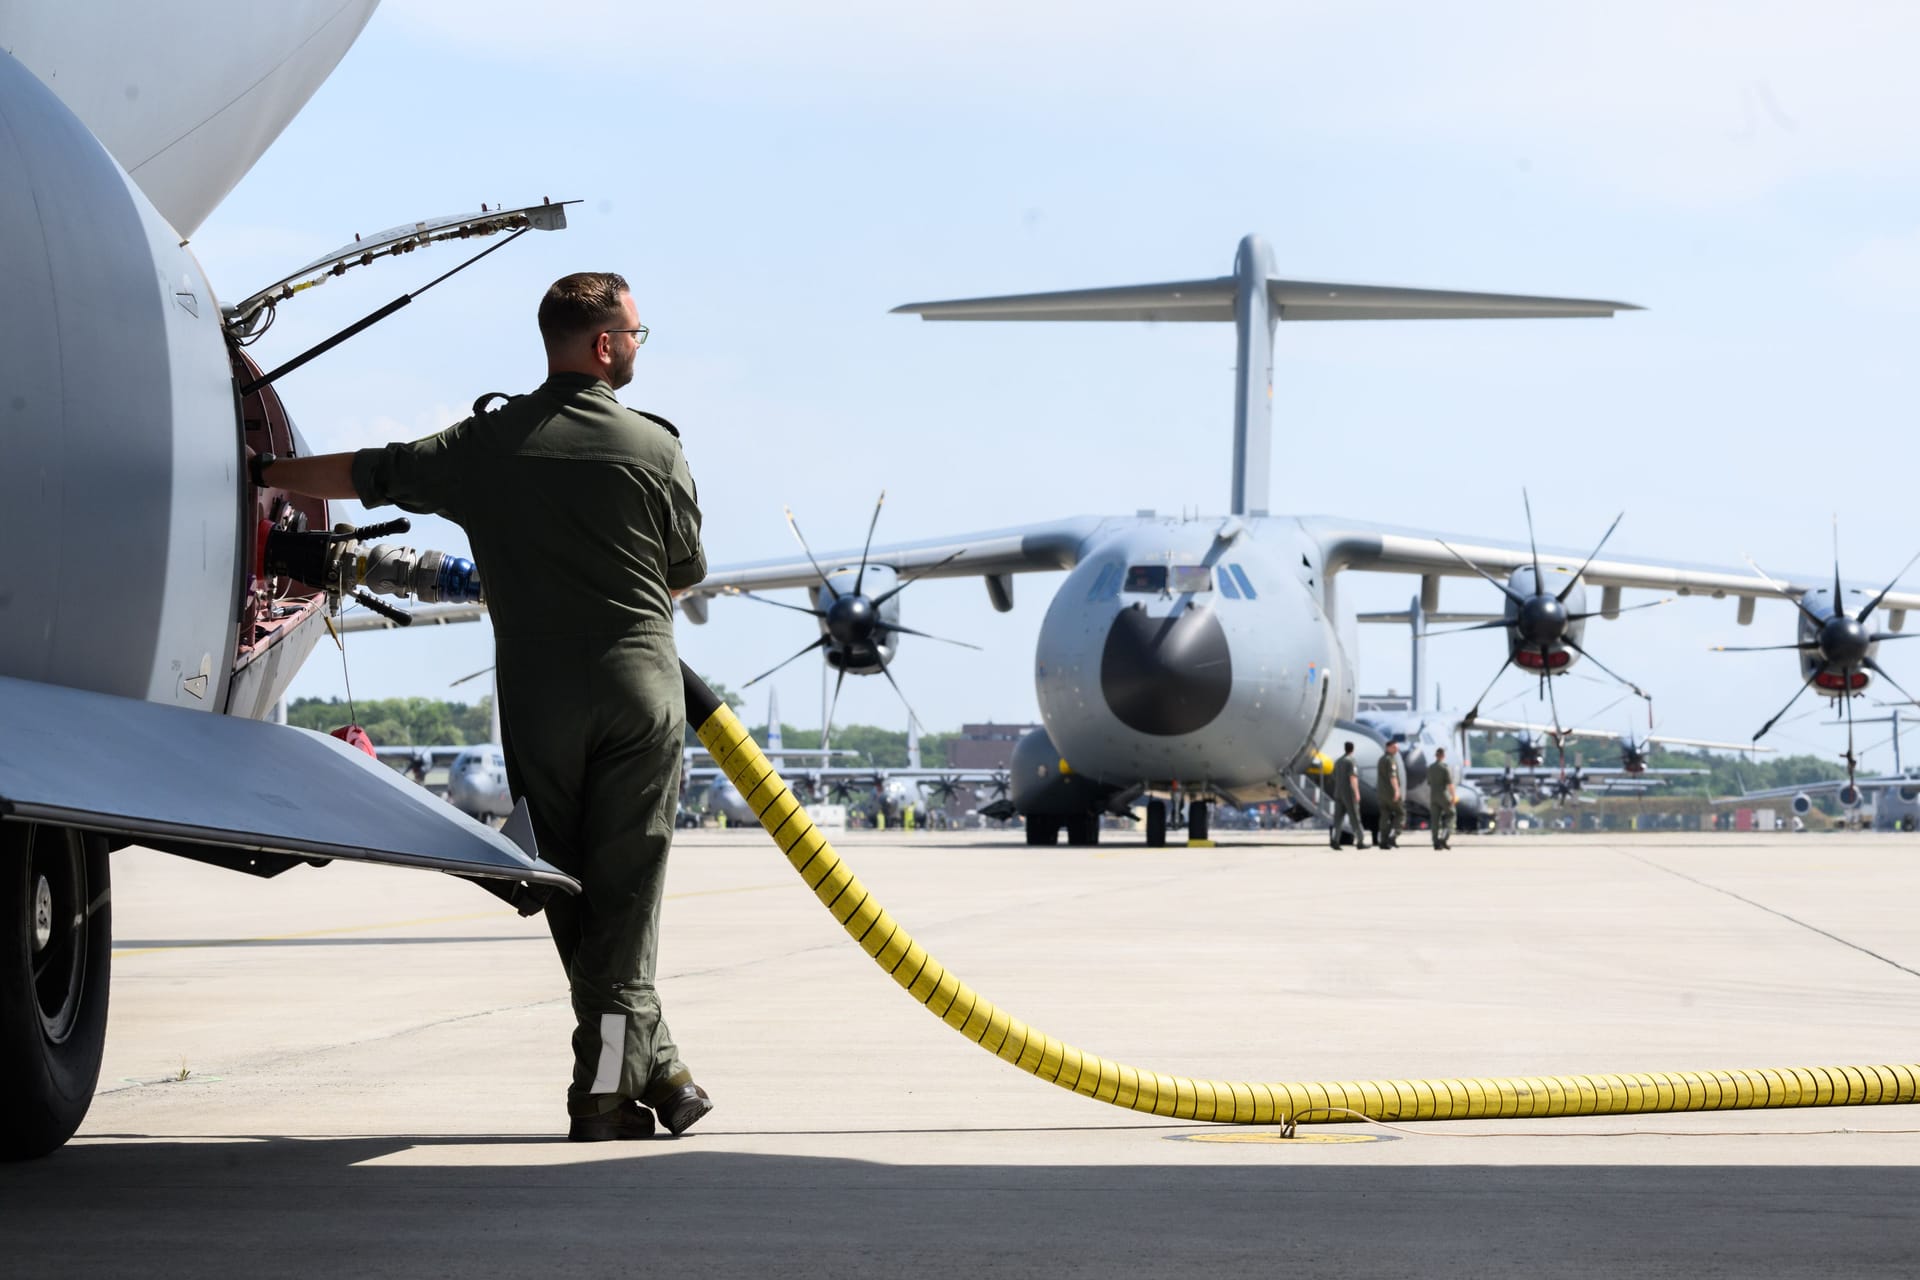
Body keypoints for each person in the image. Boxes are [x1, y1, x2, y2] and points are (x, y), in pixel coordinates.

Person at [257, 271, 712, 1143]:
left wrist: (261, 470)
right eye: (637, 335)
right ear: (605, 344)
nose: (638, 348)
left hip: (539, 699)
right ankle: (611, 1089)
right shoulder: (655, 449)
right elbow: (684, 571)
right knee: (627, 894)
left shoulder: (486, 444)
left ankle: (651, 1069)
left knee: (572, 886)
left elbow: (364, 475)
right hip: (639, 690)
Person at [1329, 742, 1366, 848]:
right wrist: (1357, 793)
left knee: (1337, 819)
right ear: (1352, 749)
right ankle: (1360, 841)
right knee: (1355, 817)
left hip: (1338, 793)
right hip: (1349, 794)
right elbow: (1353, 778)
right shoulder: (1351, 761)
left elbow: (1334, 776)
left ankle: (1335, 841)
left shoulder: (1338, 762)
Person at [1376, 741, 1405, 850]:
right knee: (1401, 813)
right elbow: (1393, 777)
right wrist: (1397, 791)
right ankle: (1393, 836)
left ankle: (1383, 842)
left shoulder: (1381, 759)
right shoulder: (1391, 760)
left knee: (1384, 816)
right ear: (1388, 747)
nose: (1396, 749)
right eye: (1394, 747)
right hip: (1391, 793)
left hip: (1381, 794)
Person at [1428, 746, 1456, 850]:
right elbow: (1450, 784)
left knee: (1435, 820)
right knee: (1451, 814)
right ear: (1443, 756)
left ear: (1436, 756)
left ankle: (1435, 842)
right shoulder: (1444, 768)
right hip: (1443, 795)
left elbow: (1429, 782)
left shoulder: (1430, 768)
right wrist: (1453, 796)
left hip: (1433, 796)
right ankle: (1444, 838)